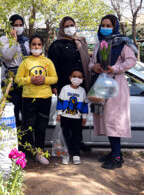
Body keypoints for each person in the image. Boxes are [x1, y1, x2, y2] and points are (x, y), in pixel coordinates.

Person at [89, 14, 137, 170]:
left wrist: (114, 68)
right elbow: (91, 62)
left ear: (115, 26)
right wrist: (94, 66)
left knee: (113, 119)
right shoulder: (99, 44)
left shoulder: (123, 43)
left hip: (116, 85)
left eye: (109, 25)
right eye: (103, 25)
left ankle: (116, 157)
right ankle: (115, 153)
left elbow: (131, 61)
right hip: (100, 84)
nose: (105, 28)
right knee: (105, 120)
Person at [47, 16, 91, 152]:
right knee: (66, 116)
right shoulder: (56, 45)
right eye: (66, 26)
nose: (70, 28)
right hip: (64, 86)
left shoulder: (81, 42)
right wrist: (54, 86)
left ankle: (78, 142)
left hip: (80, 85)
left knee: (78, 116)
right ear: (61, 28)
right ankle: (67, 144)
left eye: (72, 24)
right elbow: (52, 67)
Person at [15, 34, 58, 165]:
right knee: (28, 126)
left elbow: (55, 78)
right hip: (28, 98)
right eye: (34, 44)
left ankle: (40, 152)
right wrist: (30, 80)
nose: (36, 47)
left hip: (45, 98)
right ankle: (28, 151)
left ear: (42, 46)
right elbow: (17, 79)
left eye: (39, 44)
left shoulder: (48, 62)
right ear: (30, 46)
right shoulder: (25, 62)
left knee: (41, 127)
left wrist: (44, 79)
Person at [0, 14, 30, 128]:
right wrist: (14, 40)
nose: (18, 27)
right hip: (10, 80)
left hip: (25, 80)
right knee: (13, 111)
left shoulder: (26, 41)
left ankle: (26, 142)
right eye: (15, 25)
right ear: (10, 27)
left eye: (20, 25)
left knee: (26, 112)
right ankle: (14, 141)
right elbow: (8, 55)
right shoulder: (4, 40)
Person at [56, 68, 88, 165]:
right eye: (74, 76)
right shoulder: (65, 88)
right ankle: (65, 155)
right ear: (70, 77)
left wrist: (84, 116)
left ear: (83, 79)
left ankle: (76, 155)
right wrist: (59, 114)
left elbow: (84, 105)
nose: (76, 79)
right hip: (65, 117)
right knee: (65, 137)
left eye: (79, 77)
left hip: (77, 119)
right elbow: (60, 102)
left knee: (76, 137)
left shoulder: (82, 91)